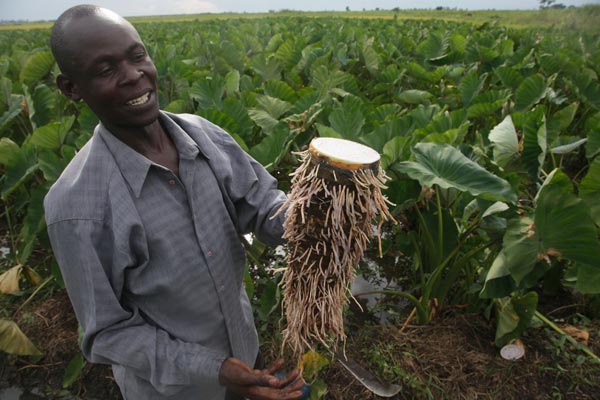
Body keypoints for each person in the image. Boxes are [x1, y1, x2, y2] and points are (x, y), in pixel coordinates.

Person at [44, 4, 305, 400]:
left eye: (137, 56)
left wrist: (315, 219)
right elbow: (109, 333)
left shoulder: (204, 136)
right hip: (175, 391)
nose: (134, 76)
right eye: (105, 70)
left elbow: (263, 203)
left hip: (244, 358)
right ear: (71, 88)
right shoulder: (77, 207)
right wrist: (214, 370)